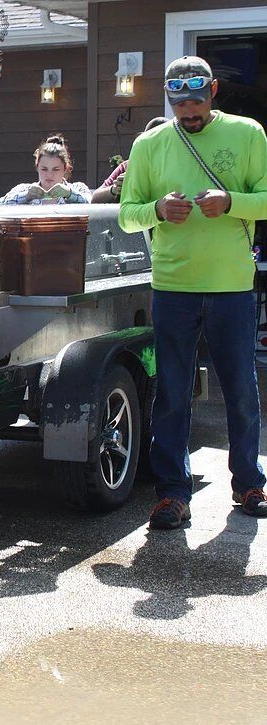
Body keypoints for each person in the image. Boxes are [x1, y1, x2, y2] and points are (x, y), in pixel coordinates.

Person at [119, 55, 267, 528]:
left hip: (232, 287)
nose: (189, 113)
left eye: (197, 102)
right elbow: (126, 213)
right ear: (169, 99)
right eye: (180, 104)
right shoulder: (150, 144)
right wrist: (159, 209)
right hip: (174, 287)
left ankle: (249, 483)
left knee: (241, 390)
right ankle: (173, 494)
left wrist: (231, 203)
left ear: (214, 91)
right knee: (173, 394)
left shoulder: (248, 134)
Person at [0, 135, 91, 205]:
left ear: (65, 169)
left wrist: (70, 194)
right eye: (44, 169)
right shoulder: (22, 189)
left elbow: (93, 204)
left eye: (55, 169)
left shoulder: (78, 188)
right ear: (37, 167)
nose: (49, 174)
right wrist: (25, 197)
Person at [91, 117, 169, 203]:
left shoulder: (177, 168)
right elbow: (95, 198)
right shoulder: (127, 166)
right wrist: (114, 189)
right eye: (151, 143)